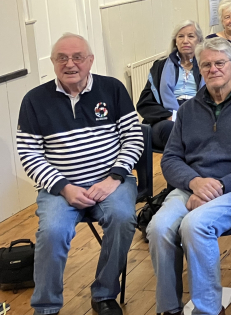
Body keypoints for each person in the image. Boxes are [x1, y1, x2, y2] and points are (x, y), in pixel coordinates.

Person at [17, 33, 144, 315]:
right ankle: (46, 306)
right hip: (61, 187)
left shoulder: (112, 89)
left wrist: (113, 178)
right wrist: (64, 187)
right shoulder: (34, 100)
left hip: (111, 180)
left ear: (90, 60)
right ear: (52, 62)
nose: (70, 64)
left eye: (77, 57)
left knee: (123, 219)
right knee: (52, 232)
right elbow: (29, 153)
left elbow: (134, 139)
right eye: (62, 58)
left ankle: (104, 294)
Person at [147, 37, 231, 315]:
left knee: (194, 225)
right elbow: (170, 159)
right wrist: (194, 183)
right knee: (158, 228)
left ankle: (208, 310)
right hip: (189, 187)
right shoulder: (188, 110)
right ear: (199, 70)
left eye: (220, 63)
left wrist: (218, 186)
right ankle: (168, 309)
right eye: (206, 64)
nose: (213, 69)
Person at [137, 20, 205, 149]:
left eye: (191, 36)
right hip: (167, 118)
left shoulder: (207, 65)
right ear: (175, 41)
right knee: (171, 129)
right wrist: (170, 116)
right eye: (180, 36)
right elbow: (145, 104)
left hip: (198, 115)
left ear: (199, 41)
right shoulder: (160, 66)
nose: (185, 41)